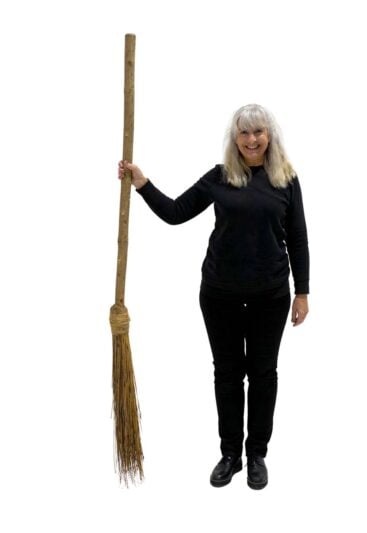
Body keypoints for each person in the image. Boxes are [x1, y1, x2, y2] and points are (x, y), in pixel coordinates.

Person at [118, 103, 310, 490]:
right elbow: (176, 212)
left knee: (263, 375)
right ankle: (230, 454)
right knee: (227, 374)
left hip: (270, 296)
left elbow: (298, 238)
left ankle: (257, 455)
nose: (251, 139)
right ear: (235, 138)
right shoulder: (220, 177)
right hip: (221, 294)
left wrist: (302, 292)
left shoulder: (286, 180)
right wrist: (142, 183)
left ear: (269, 135)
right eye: (244, 132)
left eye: (258, 132)